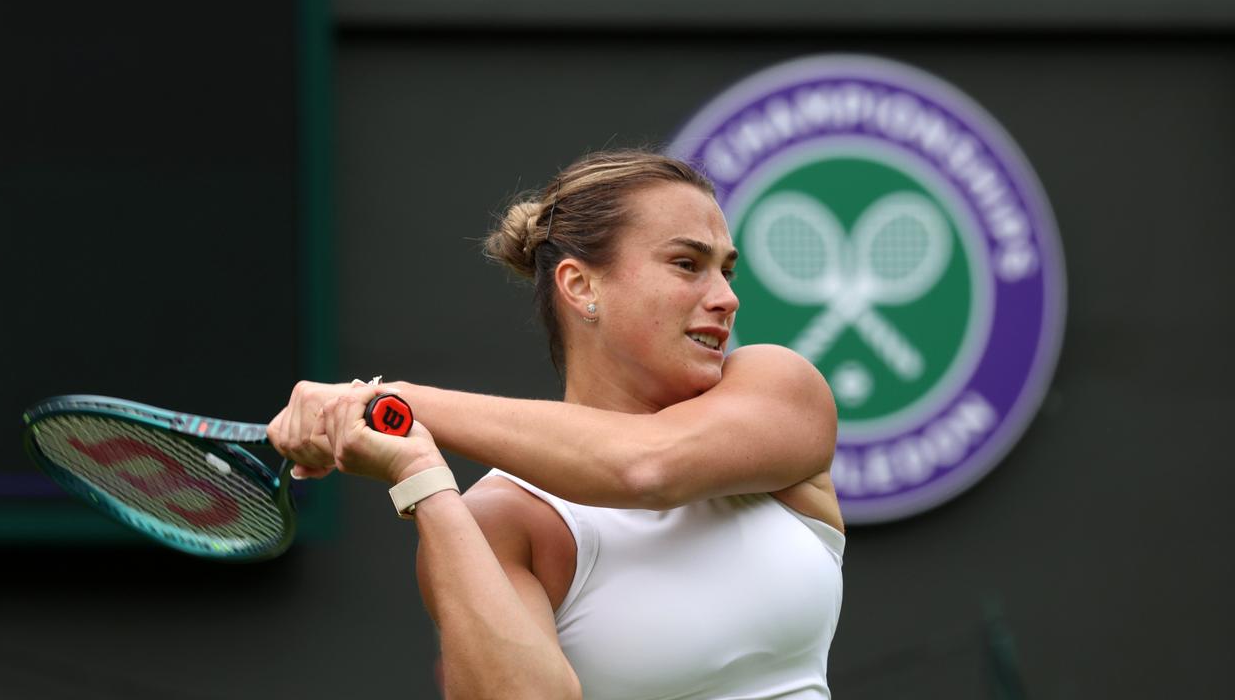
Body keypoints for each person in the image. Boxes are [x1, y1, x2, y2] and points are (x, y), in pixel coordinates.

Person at [267, 150, 845, 700]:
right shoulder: (502, 519)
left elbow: (644, 467)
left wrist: (396, 400)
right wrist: (423, 478)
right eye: (687, 265)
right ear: (581, 286)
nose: (725, 298)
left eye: (726, 271)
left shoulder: (780, 390)